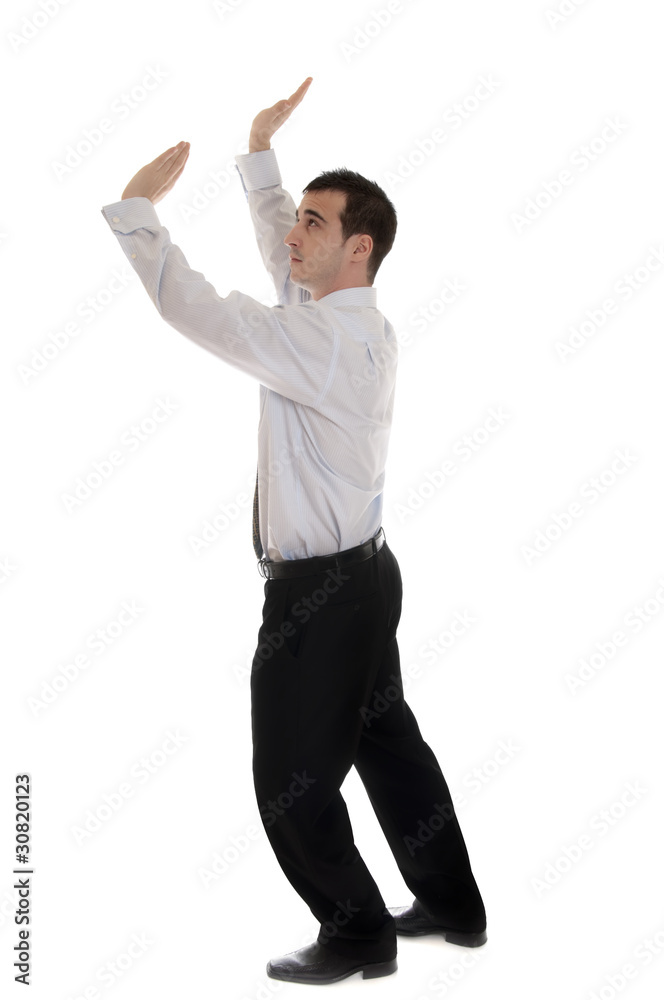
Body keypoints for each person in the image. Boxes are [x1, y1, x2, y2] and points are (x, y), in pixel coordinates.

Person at [101, 76, 487, 986]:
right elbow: (288, 266)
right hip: (367, 578)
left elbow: (197, 308)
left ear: (358, 247)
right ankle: (452, 904)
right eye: (297, 220)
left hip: (323, 599)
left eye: (314, 223)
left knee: (289, 784)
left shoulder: (319, 343)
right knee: (389, 743)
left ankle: (356, 936)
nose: (293, 235)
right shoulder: (351, 319)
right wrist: (261, 158)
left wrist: (138, 213)